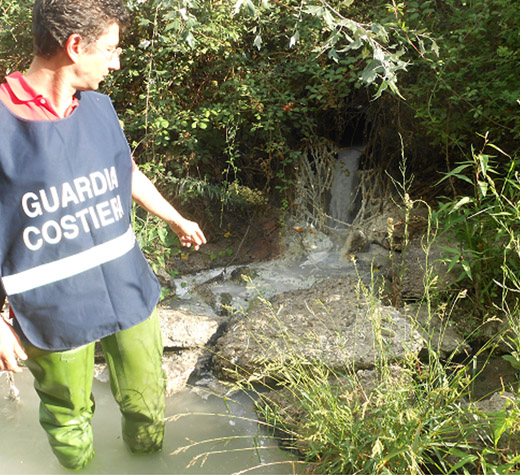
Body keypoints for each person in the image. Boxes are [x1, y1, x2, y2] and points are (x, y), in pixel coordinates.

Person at [0, 0, 206, 469]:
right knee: (70, 424)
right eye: (110, 50)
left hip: (126, 288)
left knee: (147, 406)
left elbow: (124, 169)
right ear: (75, 46)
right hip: (54, 307)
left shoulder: (98, 108)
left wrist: (173, 217)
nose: (116, 63)